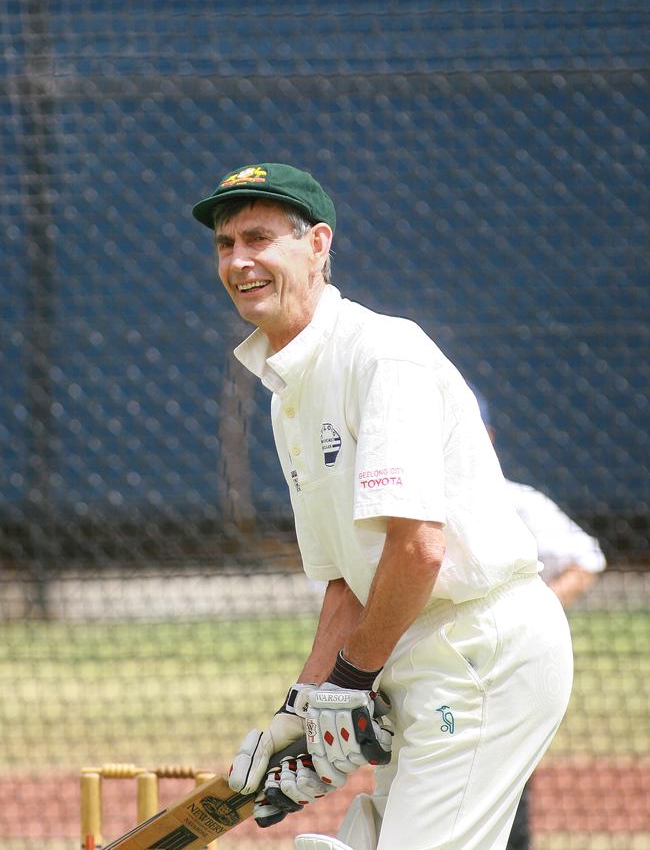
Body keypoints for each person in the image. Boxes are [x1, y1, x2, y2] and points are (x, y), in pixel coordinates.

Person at [192, 162, 574, 850]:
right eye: (225, 244)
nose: (239, 260)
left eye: (258, 238)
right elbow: (346, 580)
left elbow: (418, 547)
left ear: (318, 246)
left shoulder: (381, 353)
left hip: (477, 647)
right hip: (411, 655)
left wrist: (349, 682)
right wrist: (301, 709)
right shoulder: (288, 391)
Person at [469, 386, 606, 850]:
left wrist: (530, 614)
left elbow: (587, 558)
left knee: (508, 779)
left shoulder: (516, 501)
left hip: (508, 669)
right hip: (440, 669)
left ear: (487, 435)